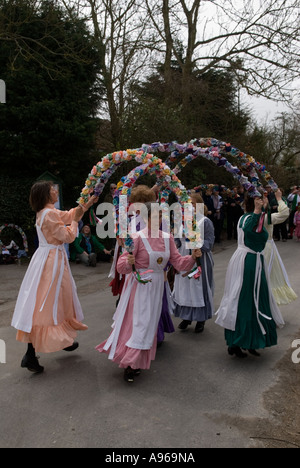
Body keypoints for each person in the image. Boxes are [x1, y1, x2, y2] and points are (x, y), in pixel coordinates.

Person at [96, 202, 202, 382]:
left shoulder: (167, 238)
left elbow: (178, 263)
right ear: (145, 218)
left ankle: (136, 362)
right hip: (139, 287)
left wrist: (192, 257)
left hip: (157, 287)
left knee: (149, 325)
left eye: (161, 216)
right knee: (140, 324)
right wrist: (128, 261)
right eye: (154, 216)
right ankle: (129, 364)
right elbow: (121, 267)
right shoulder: (136, 237)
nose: (158, 219)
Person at [11, 181, 97, 374]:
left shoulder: (46, 212)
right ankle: (31, 354)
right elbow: (68, 236)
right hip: (52, 262)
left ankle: (59, 341)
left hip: (47, 260)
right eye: (53, 190)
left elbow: (67, 215)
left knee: (52, 301)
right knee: (49, 303)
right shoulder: (49, 214)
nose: (56, 191)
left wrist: (87, 204)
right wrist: (75, 222)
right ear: (46, 195)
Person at [215, 194, 285, 358]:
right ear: (253, 203)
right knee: (245, 300)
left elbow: (261, 228)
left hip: (254, 261)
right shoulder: (247, 219)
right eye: (260, 201)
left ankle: (251, 340)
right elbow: (248, 231)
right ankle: (238, 341)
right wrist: (257, 211)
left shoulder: (255, 218)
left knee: (256, 300)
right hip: (248, 262)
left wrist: (261, 211)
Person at [172, 193, 215, 334]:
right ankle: (186, 317)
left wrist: (196, 242)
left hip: (199, 257)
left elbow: (209, 243)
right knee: (184, 287)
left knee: (198, 288)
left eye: (193, 203)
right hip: (184, 256)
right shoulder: (180, 221)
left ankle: (200, 319)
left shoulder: (205, 221)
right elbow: (177, 241)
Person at [263, 189, 297, 305]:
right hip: (265, 250)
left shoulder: (245, 217)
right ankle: (266, 304)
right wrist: (279, 199)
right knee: (270, 277)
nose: (266, 199)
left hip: (252, 250)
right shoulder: (263, 218)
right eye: (264, 197)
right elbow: (284, 213)